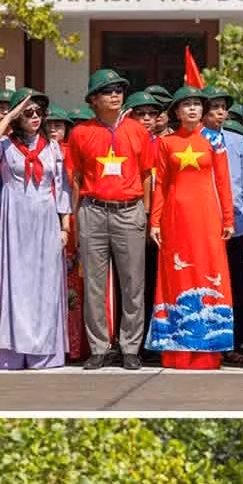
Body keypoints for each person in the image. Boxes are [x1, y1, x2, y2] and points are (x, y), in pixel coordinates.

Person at [66, 71, 156, 371]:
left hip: (129, 211)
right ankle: (99, 347)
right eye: (107, 91)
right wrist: (73, 220)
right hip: (92, 210)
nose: (115, 95)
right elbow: (75, 177)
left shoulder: (137, 131)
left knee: (133, 283)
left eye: (118, 90)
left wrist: (144, 212)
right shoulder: (80, 133)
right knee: (93, 283)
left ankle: (131, 347)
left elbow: (147, 175)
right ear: (93, 100)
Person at [147, 88, 235, 367]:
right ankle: (177, 348)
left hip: (207, 218)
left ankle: (208, 349)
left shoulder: (214, 139)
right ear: (176, 112)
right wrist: (155, 221)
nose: (193, 109)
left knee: (208, 273)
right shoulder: (166, 142)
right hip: (175, 219)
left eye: (197, 104)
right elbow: (160, 183)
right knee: (178, 276)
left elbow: (223, 181)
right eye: (186, 105)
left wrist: (229, 218)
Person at [0, 92, 71, 370]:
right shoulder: (5, 145)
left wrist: (65, 227)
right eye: (28, 112)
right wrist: (9, 117)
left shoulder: (52, 148)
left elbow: (62, 189)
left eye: (39, 112)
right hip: (15, 218)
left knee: (45, 283)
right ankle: (13, 353)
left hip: (46, 218)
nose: (35, 117)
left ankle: (44, 353)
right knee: (15, 283)